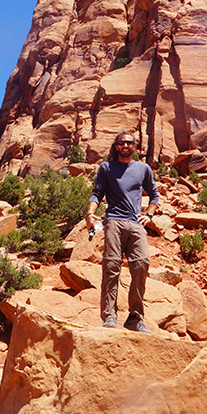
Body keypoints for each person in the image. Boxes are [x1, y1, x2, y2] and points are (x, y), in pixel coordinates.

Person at [85, 131, 160, 333]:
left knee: (142, 263)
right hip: (114, 222)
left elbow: (154, 195)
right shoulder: (107, 167)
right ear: (116, 146)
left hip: (135, 224)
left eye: (129, 143)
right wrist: (90, 213)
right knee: (111, 266)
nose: (126, 145)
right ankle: (109, 316)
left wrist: (149, 215)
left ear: (135, 146)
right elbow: (97, 193)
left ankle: (135, 318)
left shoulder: (143, 168)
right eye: (122, 143)